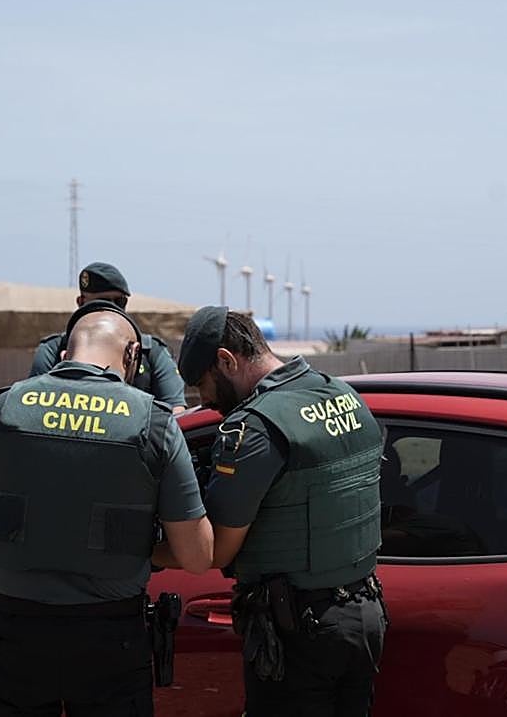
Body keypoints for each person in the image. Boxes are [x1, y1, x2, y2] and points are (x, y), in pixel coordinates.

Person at [0, 300, 213, 717]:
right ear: (131, 355)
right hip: (109, 641)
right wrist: (132, 546)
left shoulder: (0, 411)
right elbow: (197, 557)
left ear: (63, 353)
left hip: (12, 636)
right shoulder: (154, 423)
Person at [168, 306, 388, 717]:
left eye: (203, 385)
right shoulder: (341, 395)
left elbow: (216, 551)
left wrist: (150, 550)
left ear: (226, 361)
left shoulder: (255, 428)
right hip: (365, 614)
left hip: (299, 632)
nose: (206, 401)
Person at [30, 261, 186, 412]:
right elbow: (34, 406)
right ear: (81, 302)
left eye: (120, 301)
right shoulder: (54, 349)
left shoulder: (150, 351)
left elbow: (175, 411)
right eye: (103, 301)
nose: (112, 308)